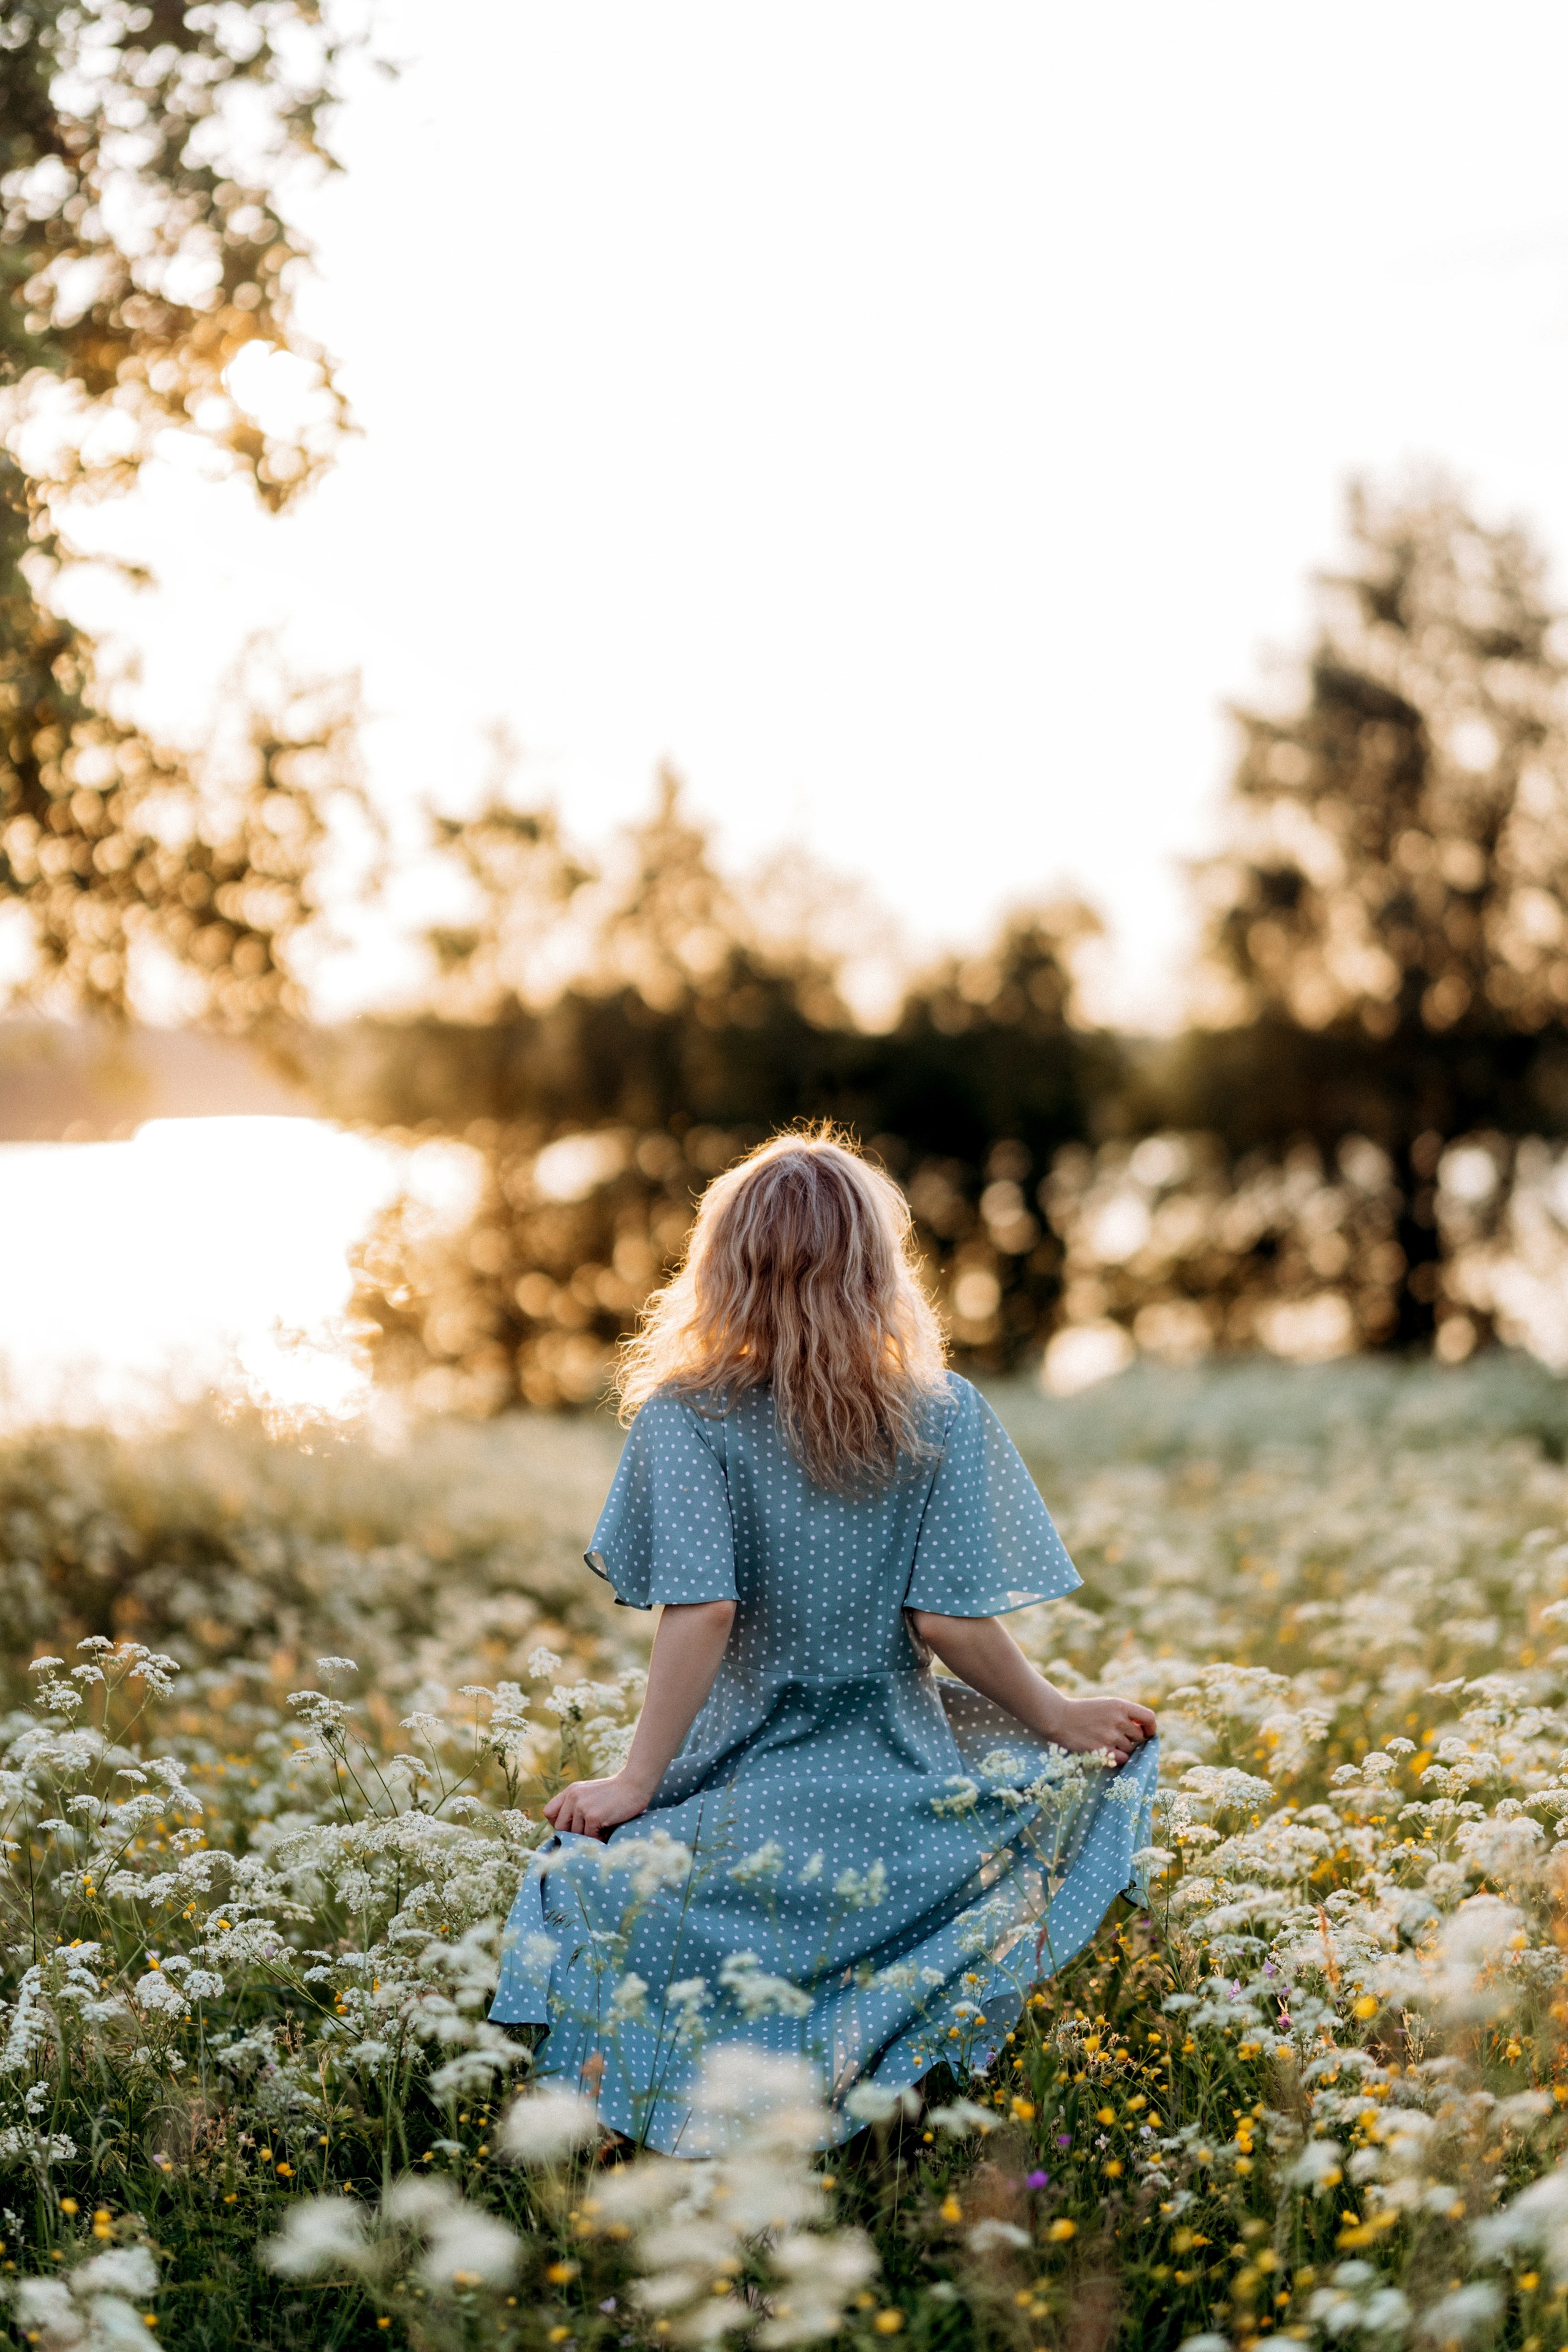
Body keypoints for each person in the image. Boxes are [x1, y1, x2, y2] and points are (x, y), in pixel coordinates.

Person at [491, 1128, 1158, 2151]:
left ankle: (684, 2126)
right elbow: (945, 1625)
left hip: (747, 1778)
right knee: (1056, 1819)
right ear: (877, 1272)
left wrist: (636, 1781)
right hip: (902, 1787)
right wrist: (1063, 1718)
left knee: (570, 1887)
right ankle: (881, 2103)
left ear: (722, 1268)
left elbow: (703, 1614)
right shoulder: (942, 1411)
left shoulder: (684, 1415)